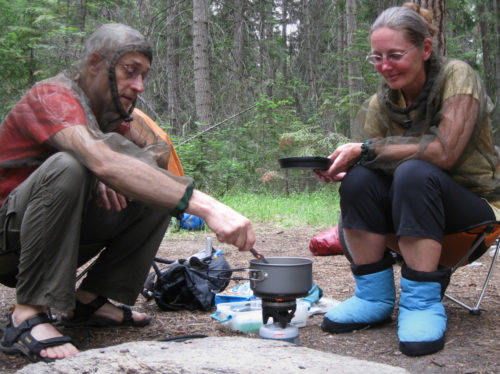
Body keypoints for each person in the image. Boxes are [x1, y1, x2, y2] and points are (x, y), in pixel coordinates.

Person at [0, 23, 255, 362]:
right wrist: (207, 207)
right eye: (129, 72)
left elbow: (158, 149)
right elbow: (93, 159)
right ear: (94, 64)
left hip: (53, 236)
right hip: (8, 239)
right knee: (71, 165)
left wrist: (120, 164)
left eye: (143, 75)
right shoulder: (52, 97)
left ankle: (89, 300)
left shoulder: (107, 112)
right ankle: (26, 315)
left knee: (152, 184)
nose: (139, 86)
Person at [315, 4, 499, 357]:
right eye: (377, 57)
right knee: (360, 180)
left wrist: (365, 149)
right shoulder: (379, 103)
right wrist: (341, 168)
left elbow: (444, 151)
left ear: (425, 50)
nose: (385, 66)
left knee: (414, 172)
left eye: (395, 55)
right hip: (410, 212)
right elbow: (372, 165)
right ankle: (373, 297)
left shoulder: (457, 77)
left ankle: (421, 304)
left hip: (473, 209)